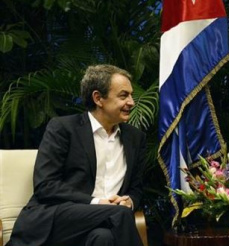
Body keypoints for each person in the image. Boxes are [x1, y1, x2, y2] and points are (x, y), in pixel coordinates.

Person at [7, 65, 146, 246]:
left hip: (107, 223)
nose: (131, 102)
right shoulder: (63, 128)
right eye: (123, 95)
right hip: (59, 218)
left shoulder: (135, 138)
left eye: (131, 95)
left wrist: (130, 202)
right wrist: (97, 202)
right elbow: (46, 186)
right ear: (98, 98)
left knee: (103, 237)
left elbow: (137, 189)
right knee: (119, 214)